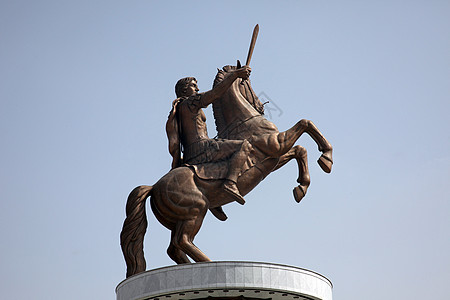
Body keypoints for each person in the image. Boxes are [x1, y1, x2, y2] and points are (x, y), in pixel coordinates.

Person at [166, 66, 252, 206]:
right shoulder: (190, 103)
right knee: (244, 145)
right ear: (184, 90)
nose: (197, 89)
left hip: (190, 153)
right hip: (202, 148)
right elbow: (216, 93)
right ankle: (230, 183)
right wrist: (235, 74)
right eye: (194, 86)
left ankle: (213, 196)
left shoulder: (180, 108)